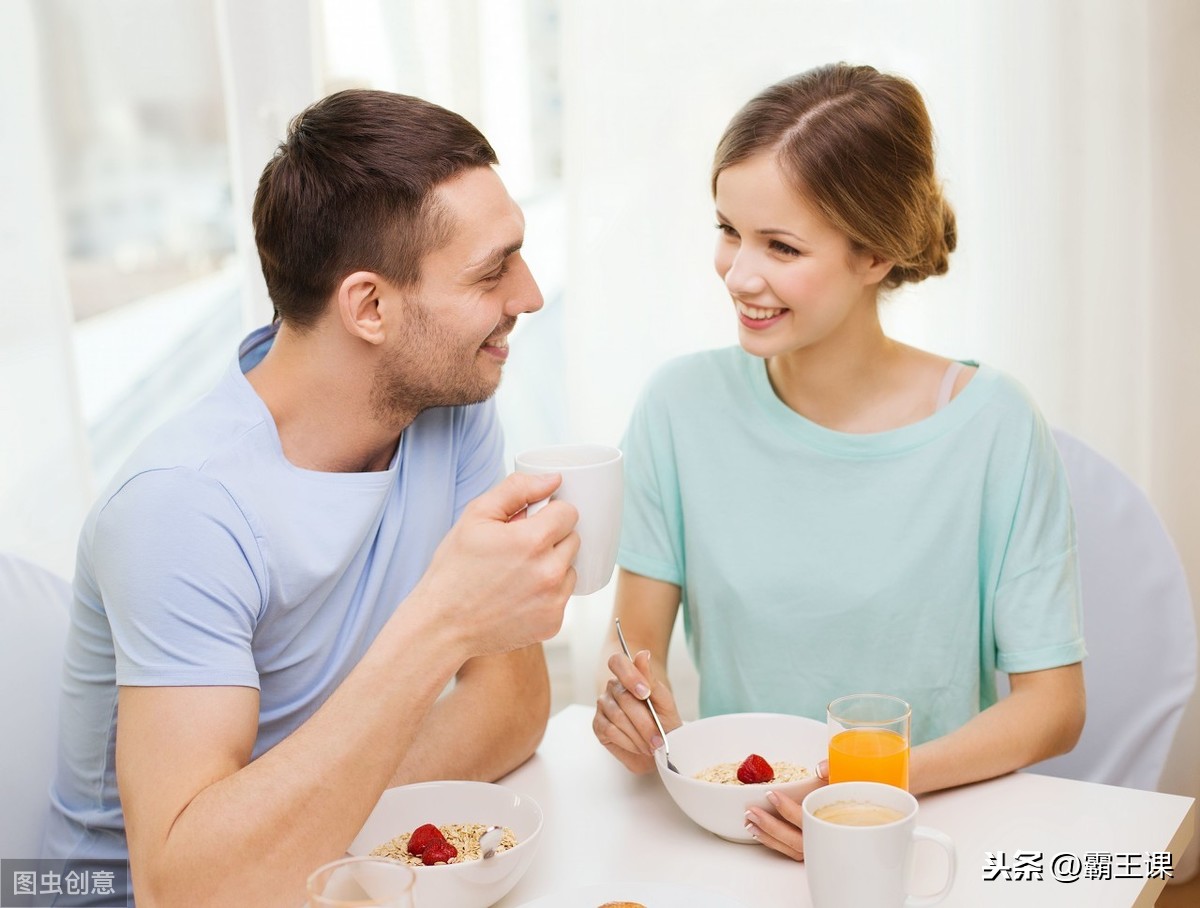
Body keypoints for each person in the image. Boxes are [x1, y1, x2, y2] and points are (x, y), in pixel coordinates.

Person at [44, 89, 580, 906]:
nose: (530, 294)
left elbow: (511, 707)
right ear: (369, 306)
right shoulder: (181, 511)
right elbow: (188, 889)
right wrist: (444, 623)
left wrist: (298, 815)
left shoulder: (450, 410)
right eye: (491, 271)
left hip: (321, 878)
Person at [592, 63, 1086, 862]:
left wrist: (868, 793)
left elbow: (1054, 708)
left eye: (781, 246)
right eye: (728, 229)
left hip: (923, 833)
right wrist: (640, 714)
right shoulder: (679, 407)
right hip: (733, 836)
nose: (739, 274)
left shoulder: (993, 426)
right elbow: (636, 648)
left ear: (876, 256)